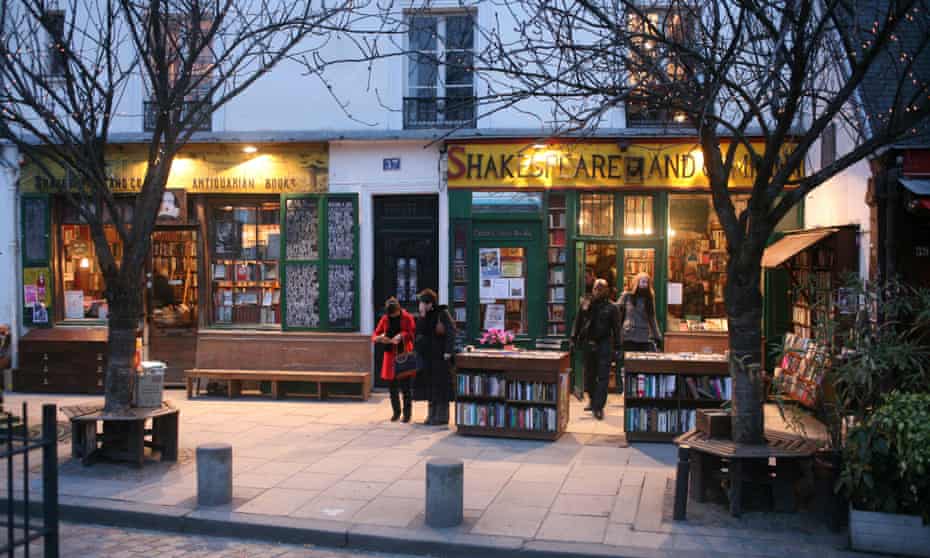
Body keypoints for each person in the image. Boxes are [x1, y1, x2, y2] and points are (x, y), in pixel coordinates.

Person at [570, 278, 621, 420]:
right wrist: (573, 338)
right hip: (588, 342)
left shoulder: (612, 307)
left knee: (603, 376)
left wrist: (618, 346)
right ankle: (592, 400)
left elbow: (616, 328)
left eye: (601, 288)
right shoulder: (587, 304)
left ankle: (599, 407)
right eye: (595, 288)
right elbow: (578, 321)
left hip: (604, 343)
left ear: (606, 290)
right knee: (589, 375)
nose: (597, 291)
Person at [413, 289, 455, 426]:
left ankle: (441, 417)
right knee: (430, 386)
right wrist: (423, 316)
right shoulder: (423, 316)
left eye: (422, 303)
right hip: (427, 356)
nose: (420, 305)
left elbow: (451, 331)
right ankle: (431, 415)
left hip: (440, 356)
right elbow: (419, 331)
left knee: (440, 386)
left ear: (429, 303)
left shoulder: (442, 313)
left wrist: (448, 351)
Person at [372, 297, 417, 422]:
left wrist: (401, 335)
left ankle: (407, 415)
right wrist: (379, 338)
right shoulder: (385, 318)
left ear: (399, 309)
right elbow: (375, 334)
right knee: (392, 387)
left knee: (406, 387)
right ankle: (396, 412)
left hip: (403, 354)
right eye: (390, 314)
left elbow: (412, 333)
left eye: (395, 314)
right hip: (390, 354)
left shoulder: (407, 317)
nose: (392, 316)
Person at [618, 272, 663, 352]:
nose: (644, 284)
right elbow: (617, 308)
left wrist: (658, 337)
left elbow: (652, 319)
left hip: (643, 336)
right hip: (629, 334)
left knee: (641, 362)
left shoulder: (649, 298)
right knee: (629, 361)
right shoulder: (627, 296)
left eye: (646, 282)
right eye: (643, 281)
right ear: (637, 282)